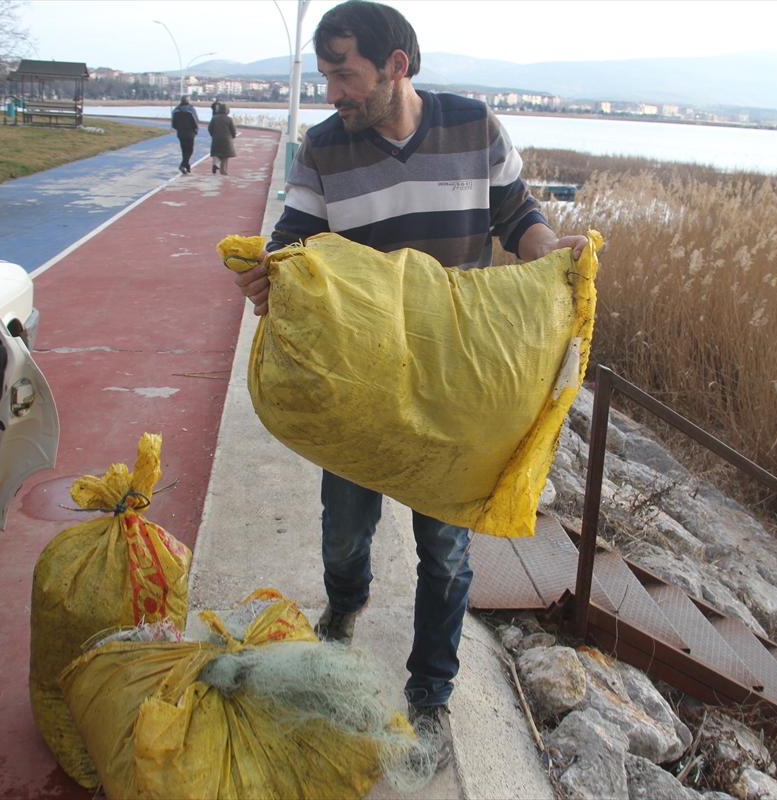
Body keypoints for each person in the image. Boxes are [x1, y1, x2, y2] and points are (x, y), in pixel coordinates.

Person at [231, 0, 588, 773]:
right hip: (361, 388)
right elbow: (294, 242)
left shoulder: (473, 126)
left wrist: (548, 254)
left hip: (460, 386)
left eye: (344, 74)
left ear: (397, 66)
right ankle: (346, 604)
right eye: (323, 74)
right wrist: (270, 278)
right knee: (345, 529)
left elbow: (515, 212)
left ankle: (429, 698)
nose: (332, 92)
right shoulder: (324, 149)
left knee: (446, 553)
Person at [171, 96, 200, 174]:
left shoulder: (176, 110)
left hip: (180, 133)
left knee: (184, 150)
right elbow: (195, 121)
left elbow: (174, 123)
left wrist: (178, 128)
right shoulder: (191, 110)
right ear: (188, 101)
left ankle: (187, 166)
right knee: (190, 150)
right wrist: (195, 130)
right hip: (190, 132)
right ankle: (183, 165)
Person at [208, 102, 237, 175]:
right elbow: (232, 129)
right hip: (227, 138)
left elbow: (210, 128)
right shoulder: (229, 119)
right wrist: (233, 136)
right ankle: (223, 170)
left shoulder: (214, 118)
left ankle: (215, 164)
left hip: (216, 138)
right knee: (225, 154)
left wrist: (213, 134)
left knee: (216, 153)